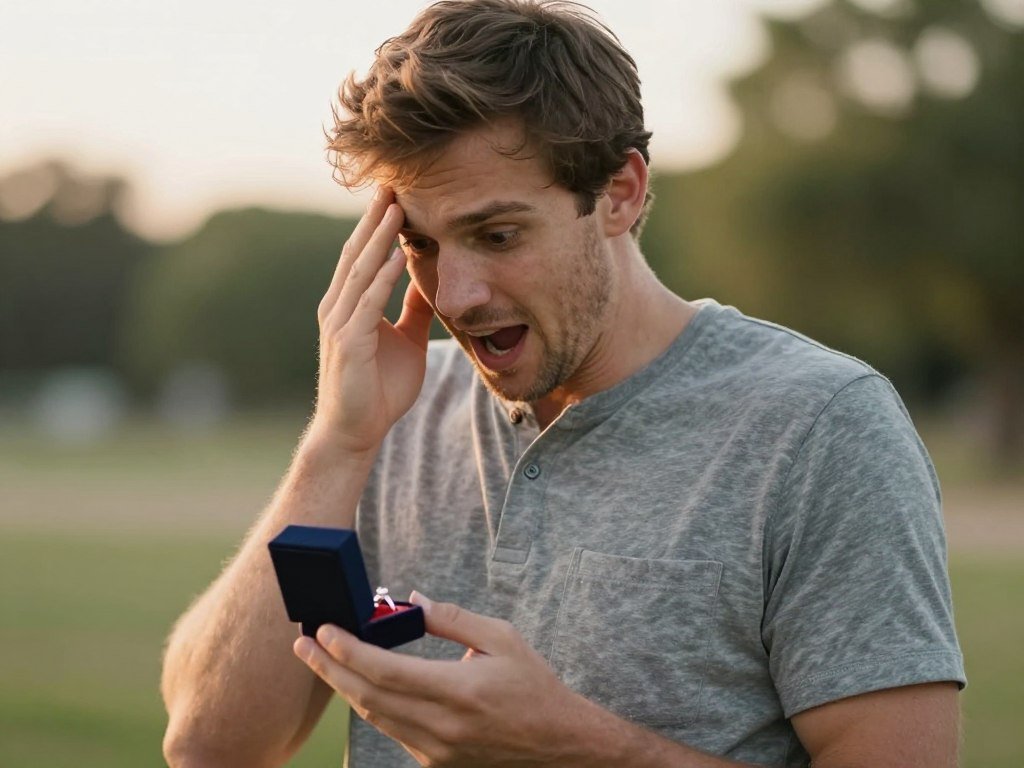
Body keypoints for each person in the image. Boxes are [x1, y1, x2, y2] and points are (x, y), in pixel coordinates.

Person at [160, 1, 966, 766]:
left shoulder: (822, 427)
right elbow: (209, 748)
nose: (456, 294)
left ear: (620, 192)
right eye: (421, 244)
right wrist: (339, 442)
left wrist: (574, 749)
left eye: (497, 233)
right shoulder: (385, 416)